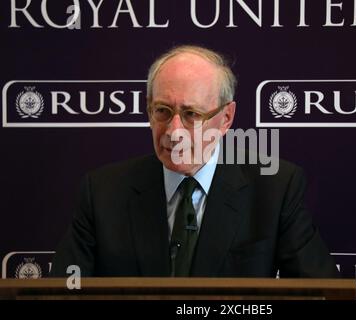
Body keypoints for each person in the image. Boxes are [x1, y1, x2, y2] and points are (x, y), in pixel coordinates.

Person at [51, 45, 339, 278]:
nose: (174, 132)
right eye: (162, 111)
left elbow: (320, 292)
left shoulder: (276, 188)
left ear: (226, 118)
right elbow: (65, 290)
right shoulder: (102, 192)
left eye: (192, 115)